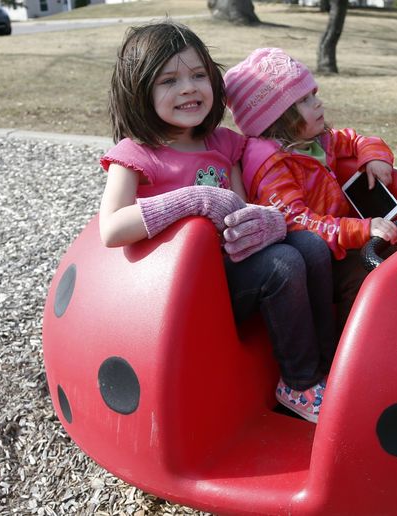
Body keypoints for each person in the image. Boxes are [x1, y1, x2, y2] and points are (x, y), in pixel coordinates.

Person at [97, 21, 334, 423]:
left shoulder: (224, 143)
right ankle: (299, 384)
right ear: (139, 92)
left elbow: (242, 209)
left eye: (198, 75)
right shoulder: (135, 154)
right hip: (187, 292)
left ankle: (329, 363)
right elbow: (112, 228)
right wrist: (195, 198)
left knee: (310, 246)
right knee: (283, 265)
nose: (188, 88)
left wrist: (270, 222)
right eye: (168, 80)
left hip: (234, 268)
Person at [223, 48, 397, 336]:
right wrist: (363, 229)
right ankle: (347, 357)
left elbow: (355, 139)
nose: (318, 104)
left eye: (313, 94)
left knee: (388, 259)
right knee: (363, 279)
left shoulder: (316, 141)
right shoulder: (271, 164)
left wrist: (374, 155)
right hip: (304, 260)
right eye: (304, 100)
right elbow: (298, 222)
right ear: (277, 118)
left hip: (335, 242)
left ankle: (391, 337)